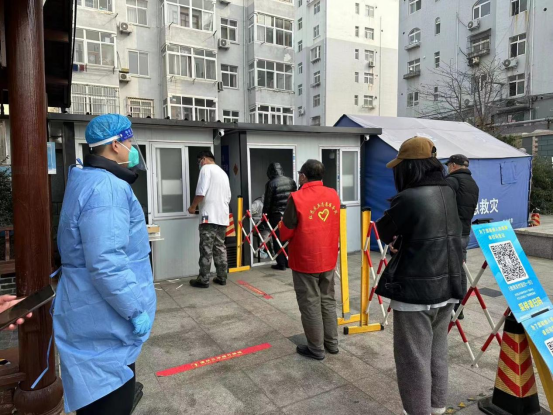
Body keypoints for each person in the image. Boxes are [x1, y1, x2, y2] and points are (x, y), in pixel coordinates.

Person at [54, 114, 156, 415]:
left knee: (96, 394)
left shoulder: (85, 178)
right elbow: (106, 262)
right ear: (114, 145)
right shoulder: (108, 188)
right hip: (105, 316)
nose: (132, 149)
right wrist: (134, 309)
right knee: (110, 396)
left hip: (89, 308)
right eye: (129, 142)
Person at [375, 137, 464, 415]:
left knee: (413, 359)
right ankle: (437, 407)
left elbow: (383, 231)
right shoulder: (449, 191)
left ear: (410, 167)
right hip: (449, 285)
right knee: (437, 351)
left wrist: (400, 238)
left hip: (416, 290)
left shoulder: (408, 197)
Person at [279, 159, 340, 360]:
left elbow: (286, 231)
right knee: (328, 300)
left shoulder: (296, 198)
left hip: (305, 259)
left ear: (303, 176)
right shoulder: (333, 194)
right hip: (328, 257)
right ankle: (332, 343)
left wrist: (281, 227)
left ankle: (316, 348)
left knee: (310, 303)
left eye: (300, 174)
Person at [188, 151, 231, 288]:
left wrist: (193, 206)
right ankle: (222, 277)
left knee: (206, 248)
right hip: (222, 217)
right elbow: (228, 197)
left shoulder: (206, 169)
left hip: (209, 217)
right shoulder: (223, 173)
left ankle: (203, 279)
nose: (199, 164)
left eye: (199, 161)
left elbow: (201, 193)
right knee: (220, 247)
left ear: (204, 159)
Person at [445, 154, 479, 320]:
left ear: (453, 165)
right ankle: (459, 308)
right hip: (465, 232)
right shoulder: (473, 183)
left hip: (451, 233)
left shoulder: (452, 181)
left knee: (446, 269)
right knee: (461, 270)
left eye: (448, 166)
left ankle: (447, 309)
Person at [262, 163, 297, 270]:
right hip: (289, 214)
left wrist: (265, 216)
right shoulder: (291, 181)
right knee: (288, 238)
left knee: (277, 238)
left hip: (276, 215)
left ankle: (281, 263)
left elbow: (268, 202)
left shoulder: (271, 183)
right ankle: (289, 262)